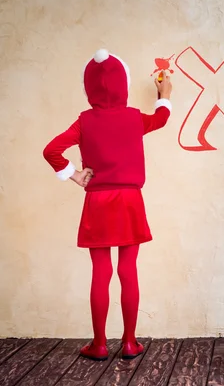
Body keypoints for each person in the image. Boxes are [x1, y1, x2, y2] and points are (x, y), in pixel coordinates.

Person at [42, 48, 172, 360]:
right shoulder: (133, 118)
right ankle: (129, 342)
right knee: (129, 270)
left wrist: (73, 174)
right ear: (124, 84)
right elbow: (162, 118)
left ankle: (99, 344)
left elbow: (51, 150)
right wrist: (164, 92)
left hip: (97, 203)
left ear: (88, 88)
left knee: (101, 271)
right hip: (129, 201)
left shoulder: (84, 121)